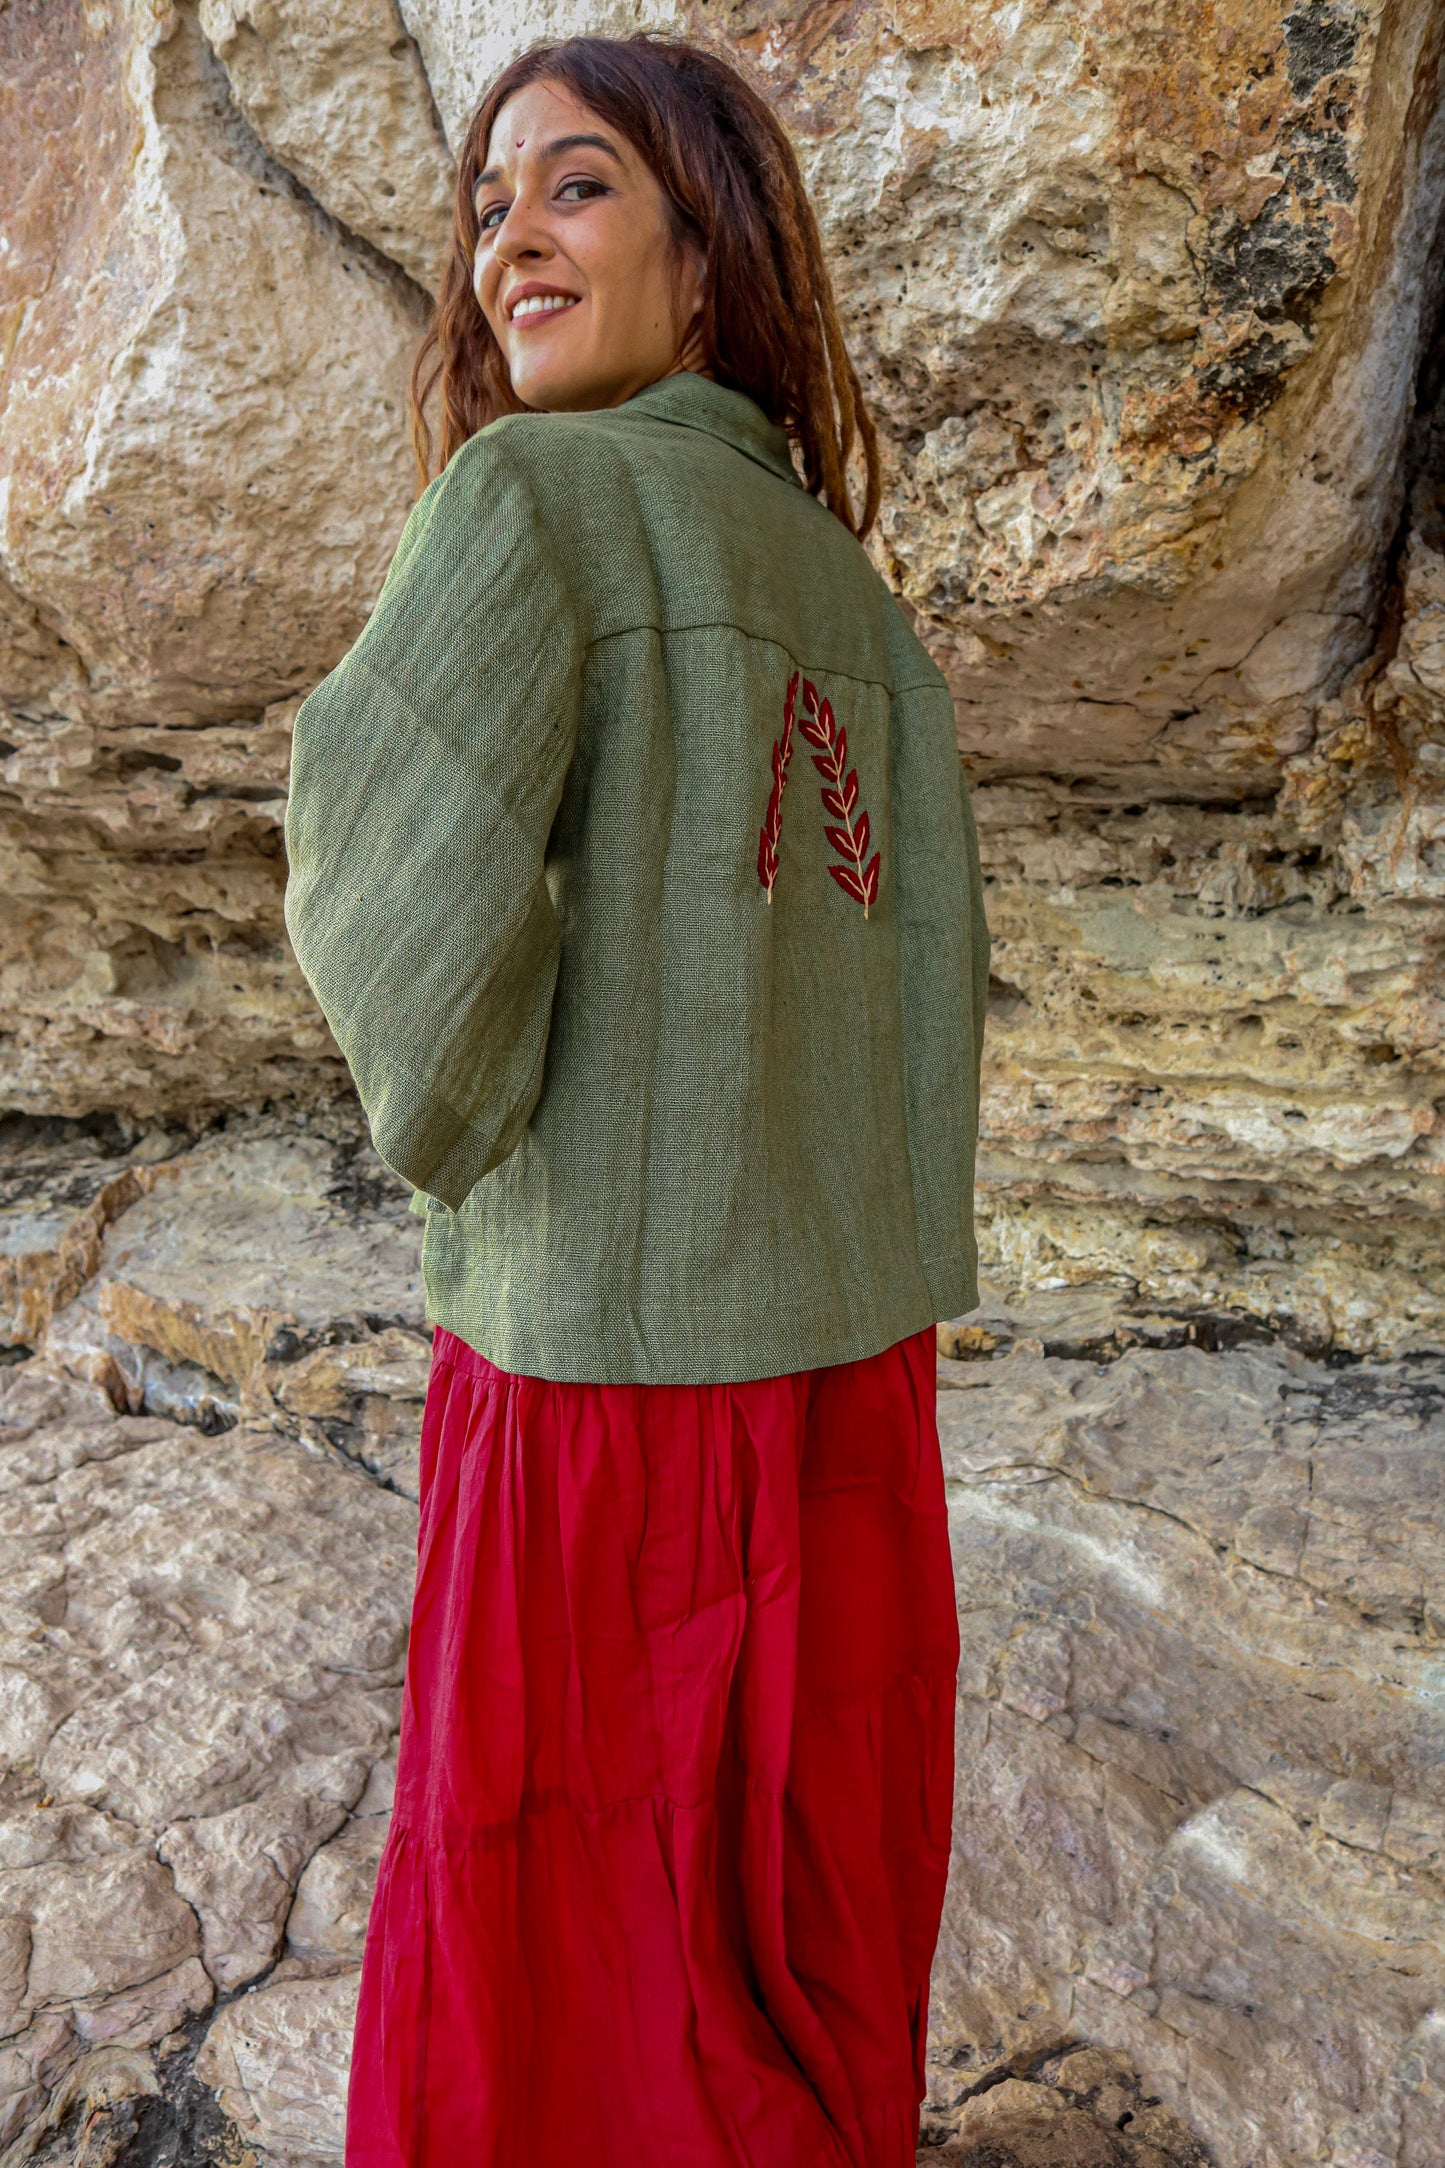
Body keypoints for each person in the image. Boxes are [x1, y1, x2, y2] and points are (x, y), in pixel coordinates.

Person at [283, 31, 989, 2168]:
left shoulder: (536, 503)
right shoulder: (860, 612)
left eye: (573, 188)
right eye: (488, 207)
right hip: (856, 1418)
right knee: (797, 1964)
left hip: (605, 1404)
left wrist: (469, 1104)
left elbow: (381, 865)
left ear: (708, 253)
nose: (509, 242)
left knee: (569, 2006)